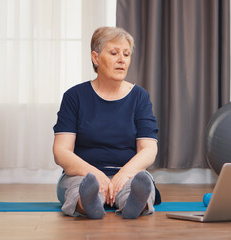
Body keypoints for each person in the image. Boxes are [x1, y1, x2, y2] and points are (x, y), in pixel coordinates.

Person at [53, 26, 160, 219]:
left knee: (136, 186)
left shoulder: (140, 97)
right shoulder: (74, 97)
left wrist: (124, 173)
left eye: (126, 54)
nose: (122, 60)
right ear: (95, 58)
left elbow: (149, 149)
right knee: (81, 188)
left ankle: (134, 204)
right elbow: (61, 151)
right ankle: (89, 203)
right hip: (83, 175)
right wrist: (96, 175)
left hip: (128, 173)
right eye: (114, 53)